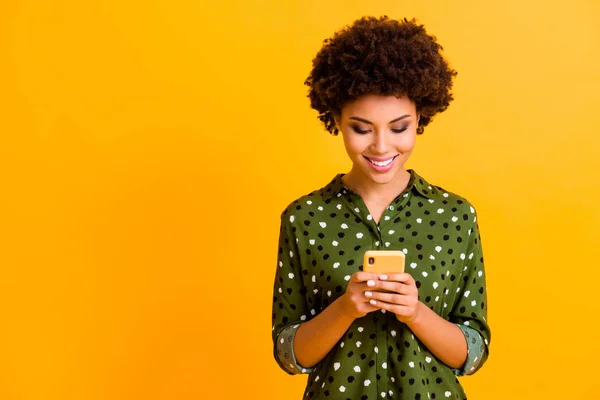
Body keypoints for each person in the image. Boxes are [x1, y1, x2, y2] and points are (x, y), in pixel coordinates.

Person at [271, 16, 490, 400]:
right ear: (336, 119)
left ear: (420, 117)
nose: (382, 146)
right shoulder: (303, 218)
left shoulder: (455, 216)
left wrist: (414, 312)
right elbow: (290, 355)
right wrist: (345, 308)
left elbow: (472, 354)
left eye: (399, 127)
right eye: (361, 128)